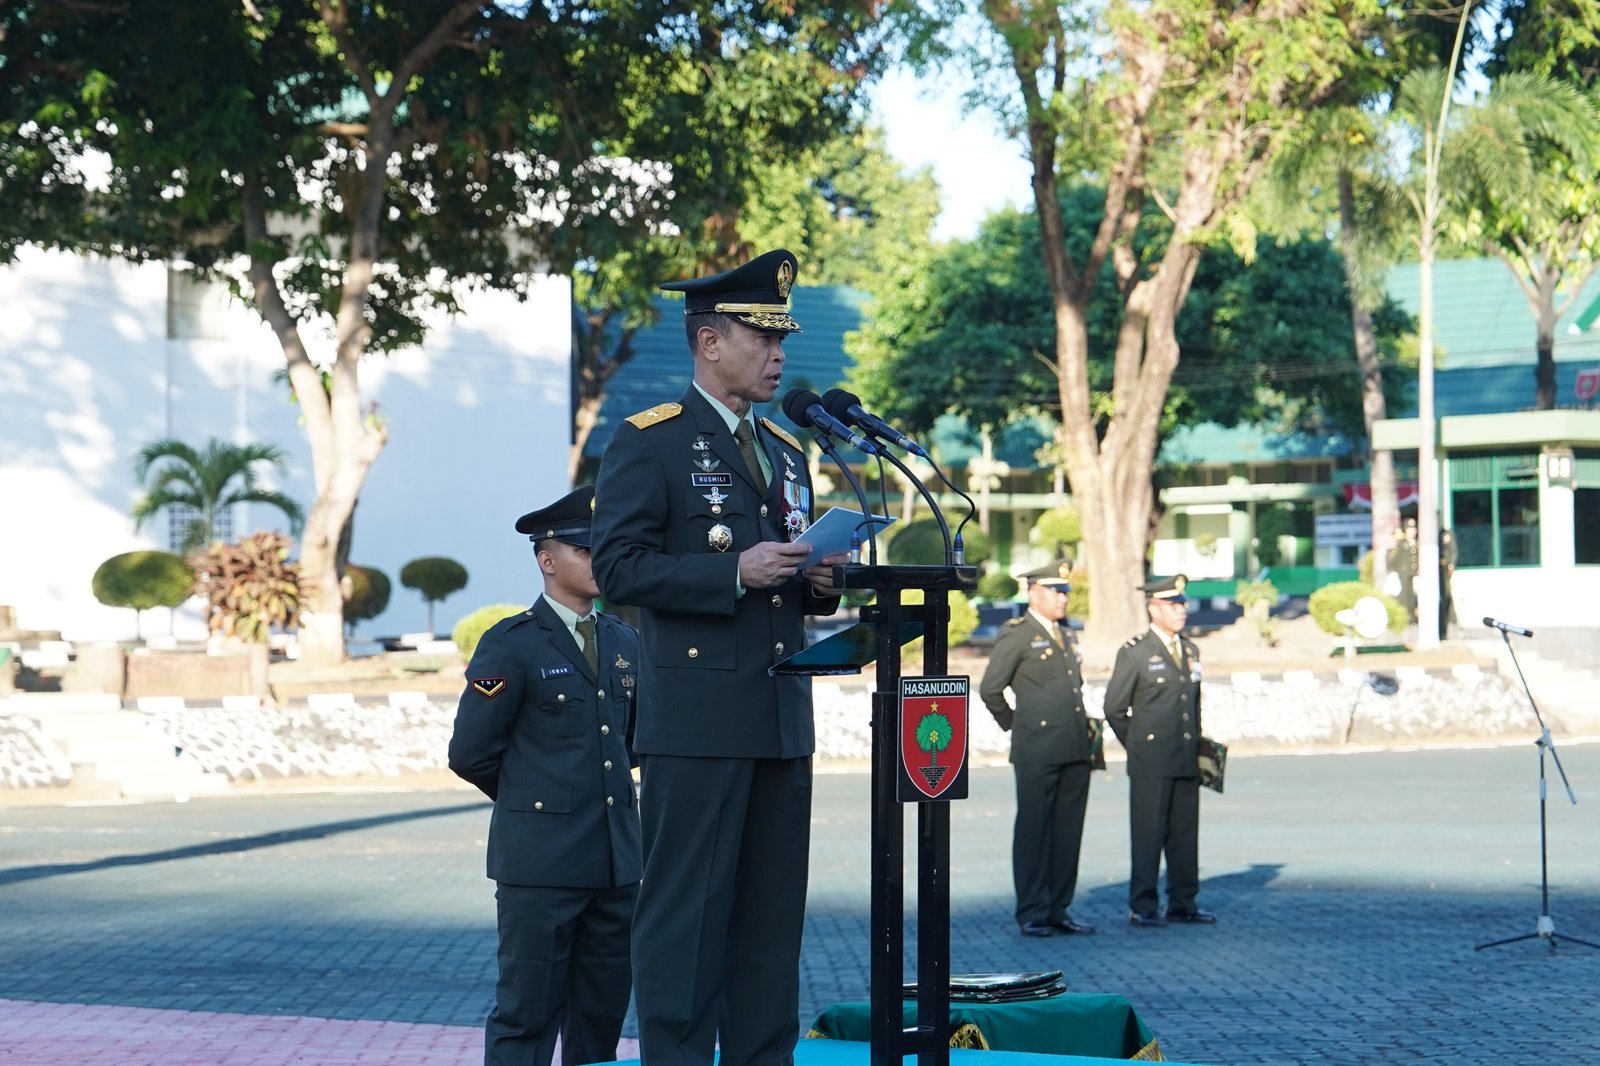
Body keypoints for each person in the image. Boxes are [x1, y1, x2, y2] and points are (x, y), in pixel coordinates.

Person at [589, 248, 845, 1066]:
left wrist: (821, 579)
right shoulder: (650, 442)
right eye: (762, 339)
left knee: (770, 922)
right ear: (708, 343)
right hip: (696, 722)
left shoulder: (786, 450)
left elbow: (795, 585)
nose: (779, 357)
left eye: (782, 342)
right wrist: (732, 569)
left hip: (778, 719)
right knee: (685, 920)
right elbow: (618, 568)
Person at [448, 485, 642, 1066]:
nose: (600, 559)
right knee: (527, 1015)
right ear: (547, 559)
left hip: (616, 864)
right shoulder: (513, 644)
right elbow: (471, 752)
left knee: (601, 1017)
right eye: (587, 550)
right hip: (542, 865)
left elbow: (633, 742)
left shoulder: (624, 640)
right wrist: (539, 803)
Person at [979, 560, 1099, 939]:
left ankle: (1058, 908)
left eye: (1065, 591)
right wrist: (1018, 725)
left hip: (1075, 747)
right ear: (1033, 593)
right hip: (1037, 749)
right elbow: (990, 689)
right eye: (1055, 591)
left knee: (1068, 833)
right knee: (1034, 831)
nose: (1063, 598)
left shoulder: (1066, 633)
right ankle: (1032, 910)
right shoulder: (1018, 634)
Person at [1102, 573, 1215, 928]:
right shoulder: (1136, 652)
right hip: (1150, 760)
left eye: (1183, 604)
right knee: (1149, 834)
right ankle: (1144, 904)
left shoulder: (1190, 649)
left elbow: (1192, 706)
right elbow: (1114, 708)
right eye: (1174, 604)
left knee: (1185, 834)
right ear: (1154, 608)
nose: (1182, 610)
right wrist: (1137, 746)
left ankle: (1183, 902)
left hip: (1185, 757)